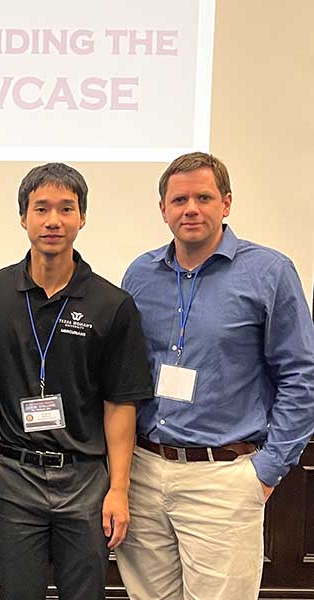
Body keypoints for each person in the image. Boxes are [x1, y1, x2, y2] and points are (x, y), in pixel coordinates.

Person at [116, 152, 314, 599]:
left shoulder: (270, 272)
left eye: (203, 197)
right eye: (179, 199)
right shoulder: (140, 275)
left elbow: (302, 376)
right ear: (162, 209)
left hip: (223, 479)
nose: (191, 208)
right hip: (145, 472)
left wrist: (266, 472)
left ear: (226, 204)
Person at [0, 163, 153, 600]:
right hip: (15, 474)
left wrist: (120, 491)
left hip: (86, 480)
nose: (53, 220)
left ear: (82, 217)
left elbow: (121, 402)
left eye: (66, 209)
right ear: (23, 217)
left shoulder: (112, 303)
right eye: (41, 209)